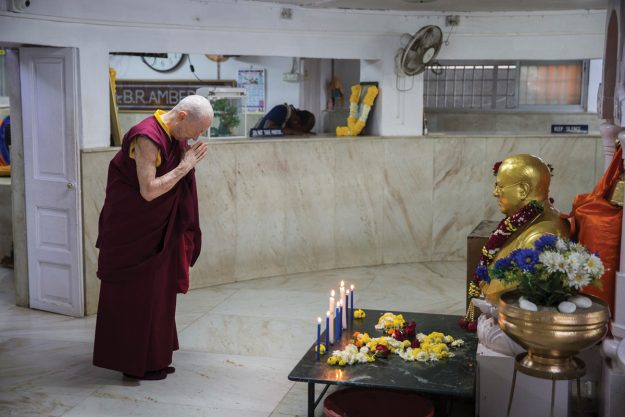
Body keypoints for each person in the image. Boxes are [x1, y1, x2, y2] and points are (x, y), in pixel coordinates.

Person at [93, 95, 213, 380]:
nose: (198, 136)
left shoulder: (174, 135)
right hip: (134, 233)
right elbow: (148, 191)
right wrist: (186, 166)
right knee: (136, 300)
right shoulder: (147, 137)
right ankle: (133, 363)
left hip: (160, 232)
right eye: (198, 129)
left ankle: (155, 358)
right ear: (182, 116)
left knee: (159, 298)